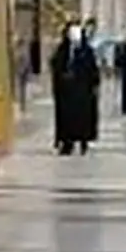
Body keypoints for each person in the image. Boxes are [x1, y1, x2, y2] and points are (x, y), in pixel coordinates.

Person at [50, 21, 100, 155]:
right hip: (66, 92)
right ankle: (67, 142)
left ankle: (83, 140)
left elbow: (93, 70)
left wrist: (92, 85)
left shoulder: (87, 51)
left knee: (82, 118)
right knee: (66, 118)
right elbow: (56, 66)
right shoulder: (62, 50)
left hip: (82, 91)